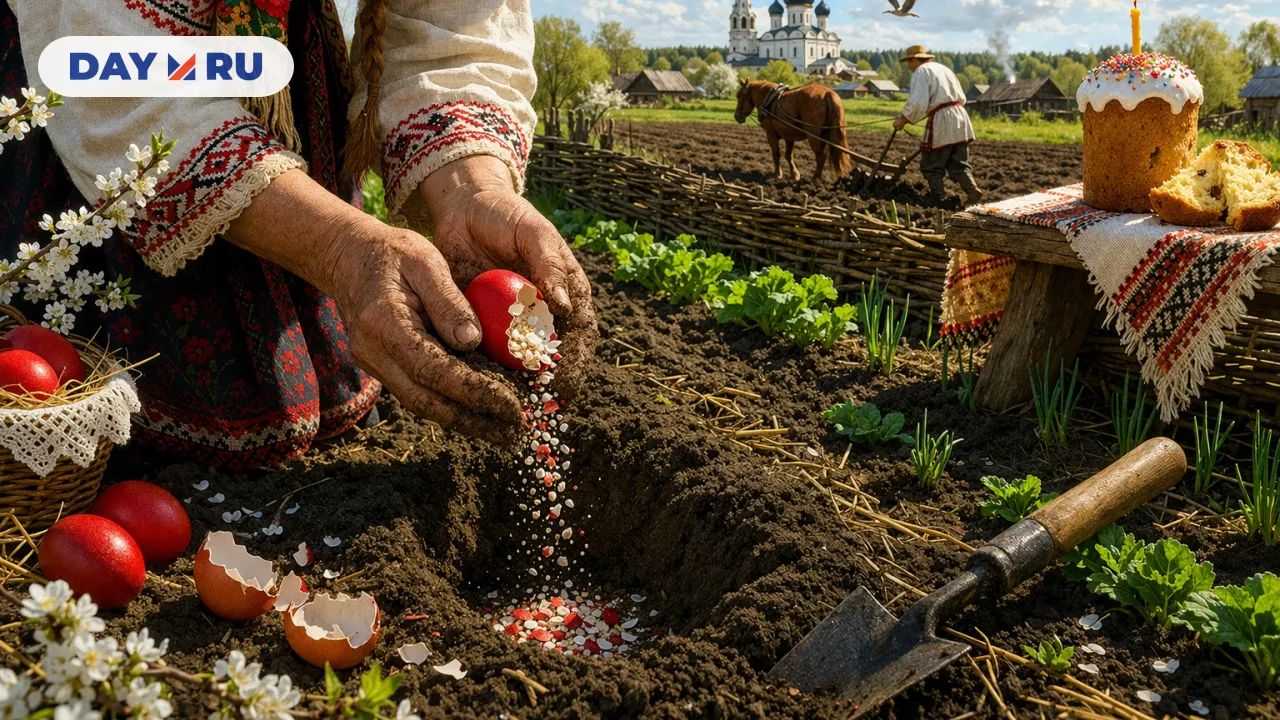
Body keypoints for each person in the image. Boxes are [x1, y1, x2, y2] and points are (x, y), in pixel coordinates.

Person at [0, 0, 596, 470]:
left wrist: (472, 191)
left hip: (278, 64)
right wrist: (340, 246)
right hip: (83, 83)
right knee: (83, 420)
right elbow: (111, 70)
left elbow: (449, 33)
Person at [892, 45, 984, 205]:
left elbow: (918, 103)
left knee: (931, 165)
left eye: (908, 62)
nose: (908, 66)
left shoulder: (921, 72)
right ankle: (972, 190)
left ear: (915, 59)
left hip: (943, 120)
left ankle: (938, 198)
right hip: (960, 117)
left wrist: (903, 119)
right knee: (959, 163)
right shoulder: (944, 69)